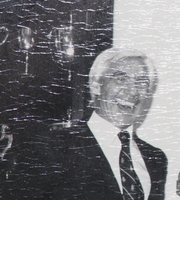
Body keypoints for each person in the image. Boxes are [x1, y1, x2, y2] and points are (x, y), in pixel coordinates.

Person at [57, 48, 167, 200]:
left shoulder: (156, 159)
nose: (133, 92)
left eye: (142, 83)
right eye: (121, 79)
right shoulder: (57, 148)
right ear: (96, 86)